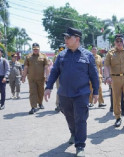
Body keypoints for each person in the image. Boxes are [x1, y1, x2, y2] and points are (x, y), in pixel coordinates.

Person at [44, 27, 99, 157]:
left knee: (81, 118)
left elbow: (94, 75)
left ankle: (80, 146)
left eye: (68, 37)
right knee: (69, 115)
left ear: (77, 39)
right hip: (64, 94)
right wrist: (48, 87)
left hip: (81, 93)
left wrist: (96, 91)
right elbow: (54, 72)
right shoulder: (61, 55)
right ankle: (73, 132)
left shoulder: (88, 55)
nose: (65, 40)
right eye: (65, 37)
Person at [104, 34, 124, 128]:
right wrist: (107, 77)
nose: (119, 43)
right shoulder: (110, 53)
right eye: (117, 41)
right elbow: (106, 66)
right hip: (115, 79)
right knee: (116, 99)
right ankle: (117, 118)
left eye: (121, 41)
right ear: (115, 42)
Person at [22, 43, 49, 114]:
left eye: (37, 49)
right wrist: (23, 77)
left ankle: (40, 103)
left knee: (41, 92)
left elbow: (46, 67)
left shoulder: (43, 56)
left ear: (39, 49)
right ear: (32, 49)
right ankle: (33, 107)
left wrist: (47, 77)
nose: (35, 50)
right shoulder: (28, 57)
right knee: (32, 92)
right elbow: (25, 67)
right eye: (34, 49)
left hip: (41, 79)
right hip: (31, 79)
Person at [53, 44, 65, 112]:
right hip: (59, 76)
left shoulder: (68, 55)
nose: (61, 51)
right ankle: (58, 105)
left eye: (62, 50)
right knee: (59, 90)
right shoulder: (56, 57)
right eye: (60, 50)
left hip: (66, 76)